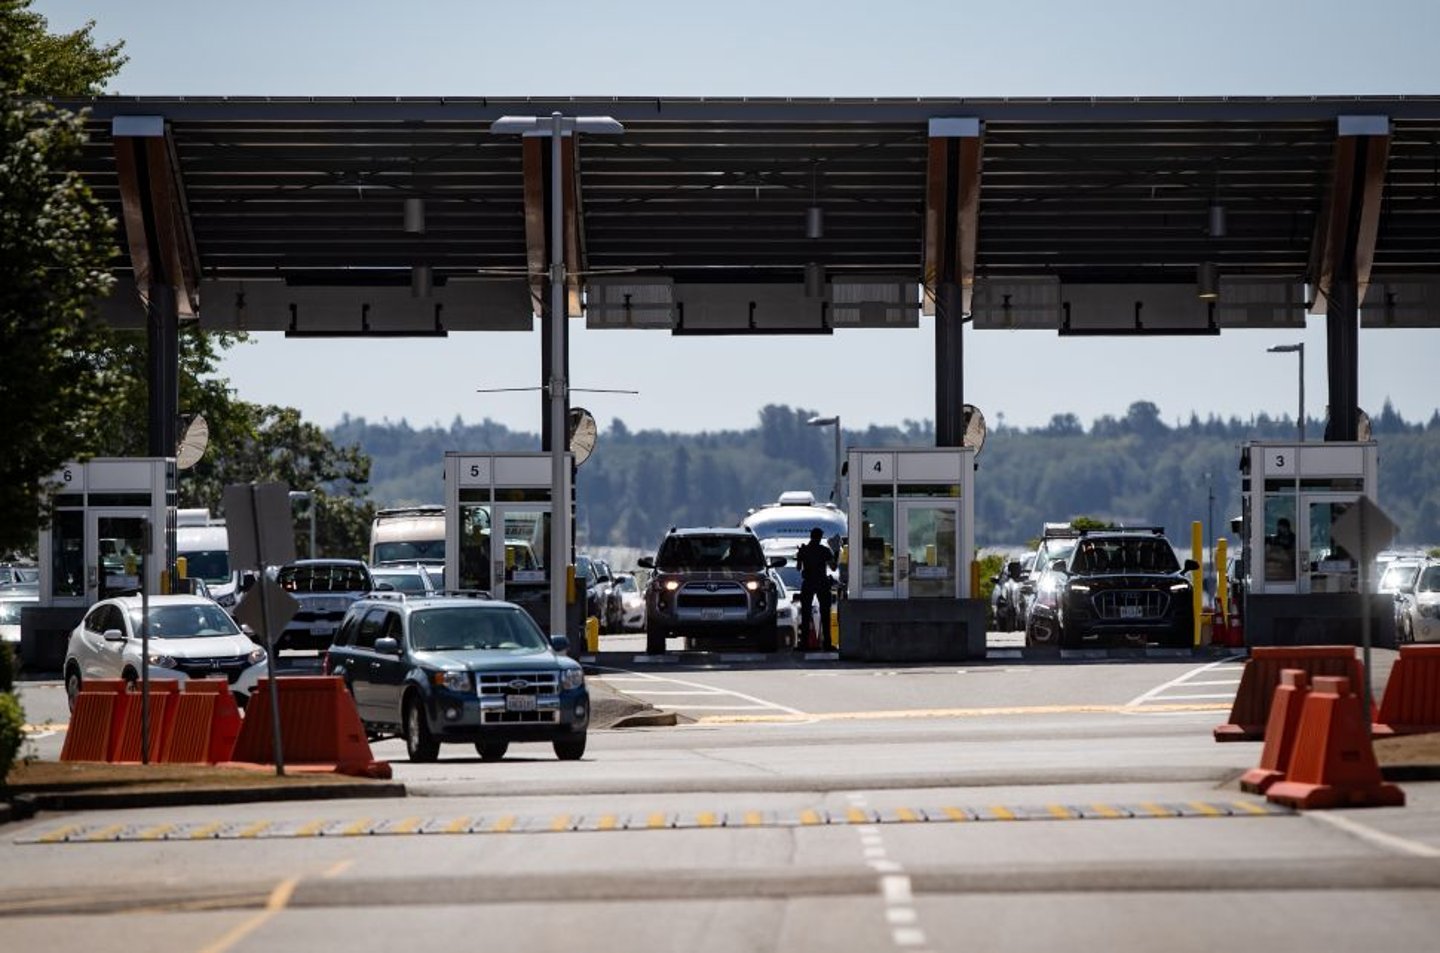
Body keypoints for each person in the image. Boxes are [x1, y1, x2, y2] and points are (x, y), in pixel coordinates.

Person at [795, 527, 838, 650]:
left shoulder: (804, 550)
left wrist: (800, 556)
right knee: (825, 614)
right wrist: (836, 553)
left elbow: (798, 568)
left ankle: (804, 644)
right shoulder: (824, 550)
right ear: (820, 537)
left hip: (808, 582)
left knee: (805, 614)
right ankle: (827, 644)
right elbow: (834, 567)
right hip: (822, 582)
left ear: (811, 536)